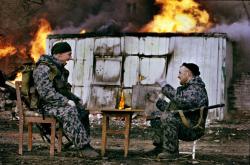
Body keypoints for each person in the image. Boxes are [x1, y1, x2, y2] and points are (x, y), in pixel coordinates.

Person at [33, 42, 99, 158]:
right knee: (69, 111)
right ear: (58, 55)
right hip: (45, 106)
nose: (70, 57)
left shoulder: (58, 69)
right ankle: (83, 148)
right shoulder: (43, 69)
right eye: (68, 54)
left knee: (82, 110)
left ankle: (84, 142)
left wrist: (76, 99)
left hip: (56, 104)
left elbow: (63, 90)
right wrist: (65, 101)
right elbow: (46, 93)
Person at [148, 62, 209, 159]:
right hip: (182, 121)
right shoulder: (187, 89)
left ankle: (171, 152)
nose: (178, 76)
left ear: (188, 74)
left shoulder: (196, 89)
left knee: (168, 117)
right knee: (156, 116)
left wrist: (164, 85)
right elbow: (174, 109)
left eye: (180, 73)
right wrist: (157, 101)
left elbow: (179, 101)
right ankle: (161, 148)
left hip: (192, 128)